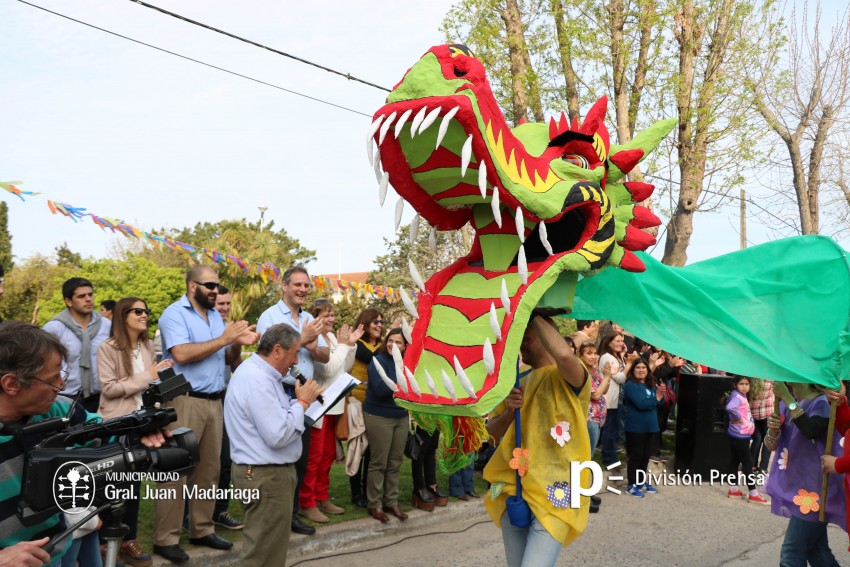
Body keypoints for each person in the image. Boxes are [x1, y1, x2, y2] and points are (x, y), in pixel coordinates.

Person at [0, 321, 170, 566]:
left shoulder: (56, 411)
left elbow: (102, 432)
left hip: (52, 554)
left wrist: (139, 432)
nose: (60, 385)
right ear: (12, 384)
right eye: (52, 379)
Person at [153, 265, 258, 563]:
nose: (215, 290)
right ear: (192, 286)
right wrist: (226, 338)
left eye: (217, 285)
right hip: (183, 400)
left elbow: (226, 357)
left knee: (209, 471)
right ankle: (165, 539)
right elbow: (182, 354)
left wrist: (237, 342)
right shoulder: (174, 313)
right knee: (175, 472)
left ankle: (201, 528)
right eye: (210, 285)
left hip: (215, 400)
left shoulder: (214, 316)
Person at [484, 313, 589, 567]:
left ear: (545, 333)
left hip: (559, 492)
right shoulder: (514, 380)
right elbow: (490, 435)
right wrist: (510, 410)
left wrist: (530, 308)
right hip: (514, 491)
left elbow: (564, 355)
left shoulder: (572, 375)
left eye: (525, 332)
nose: (519, 340)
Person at [225, 324, 322, 567]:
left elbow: (275, 421)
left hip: (262, 472)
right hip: (266, 475)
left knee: (266, 548)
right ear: (277, 350)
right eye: (295, 353)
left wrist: (297, 405)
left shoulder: (260, 374)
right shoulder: (257, 380)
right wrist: (302, 403)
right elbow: (277, 435)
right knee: (263, 553)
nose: (296, 361)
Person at [97, 297, 173, 566]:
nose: (144, 315)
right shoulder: (107, 348)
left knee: (133, 485)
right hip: (118, 423)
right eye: (138, 311)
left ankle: (128, 541)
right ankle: (105, 544)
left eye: (146, 310)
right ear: (122, 315)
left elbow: (149, 384)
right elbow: (109, 388)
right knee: (112, 486)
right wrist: (149, 375)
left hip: (143, 422)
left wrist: (164, 378)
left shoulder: (147, 345)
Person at [256, 265, 329, 535]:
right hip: (279, 393)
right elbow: (267, 353)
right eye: (297, 284)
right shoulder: (269, 316)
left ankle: (292, 515)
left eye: (306, 285)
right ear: (284, 286)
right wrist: (305, 339)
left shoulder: (310, 317)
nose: (302, 290)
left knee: (299, 458)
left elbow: (325, 356)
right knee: (276, 459)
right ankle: (271, 516)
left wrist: (309, 344)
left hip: (305, 396)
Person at [765, 381, 846, 566]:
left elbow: (811, 430)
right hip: (798, 490)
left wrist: (786, 397)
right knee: (817, 552)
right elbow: (772, 445)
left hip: (815, 493)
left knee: (791, 554)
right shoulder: (789, 403)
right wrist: (773, 428)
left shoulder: (822, 403)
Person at [299, 299, 363, 523]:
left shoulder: (335, 338)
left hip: (333, 405)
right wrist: (344, 346)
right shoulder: (313, 339)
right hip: (317, 406)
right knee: (314, 457)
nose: (332, 319)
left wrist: (351, 345)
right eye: (326, 315)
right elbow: (327, 369)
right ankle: (307, 502)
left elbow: (345, 367)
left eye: (332, 315)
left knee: (327, 456)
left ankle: (322, 496)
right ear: (315, 317)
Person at [43, 277, 112, 413]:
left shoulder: (106, 325)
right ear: (68, 301)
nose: (88, 299)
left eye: (90, 295)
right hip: (66, 397)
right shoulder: (55, 328)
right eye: (81, 296)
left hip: (101, 398)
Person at [363, 328, 410, 523]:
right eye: (390, 340)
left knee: (395, 462)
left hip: (401, 416)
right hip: (379, 415)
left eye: (398, 342)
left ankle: (392, 501)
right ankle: (374, 504)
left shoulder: (409, 363)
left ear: (405, 346)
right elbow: (382, 390)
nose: (393, 345)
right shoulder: (377, 361)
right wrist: (403, 379)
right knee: (379, 462)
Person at [211, 283, 243, 531]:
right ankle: (192, 514)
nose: (224, 308)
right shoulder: (204, 329)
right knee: (201, 462)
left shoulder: (228, 328)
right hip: (200, 399)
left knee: (225, 459)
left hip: (224, 397)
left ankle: (220, 510)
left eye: (227, 304)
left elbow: (234, 364)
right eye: (220, 303)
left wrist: (238, 342)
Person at [346, 308, 384, 508]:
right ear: (366, 323)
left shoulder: (380, 345)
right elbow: (373, 359)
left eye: (381, 322)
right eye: (375, 322)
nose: (379, 325)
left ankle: (369, 490)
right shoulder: (357, 344)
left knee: (372, 451)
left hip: (376, 405)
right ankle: (356, 492)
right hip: (358, 404)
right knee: (358, 448)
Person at [623, 358, 666, 498]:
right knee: (636, 456)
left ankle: (641, 482)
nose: (641, 370)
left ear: (648, 370)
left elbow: (659, 404)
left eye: (643, 367)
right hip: (636, 427)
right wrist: (657, 397)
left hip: (650, 427)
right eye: (638, 367)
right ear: (633, 370)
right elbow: (641, 404)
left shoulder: (650, 385)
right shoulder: (630, 386)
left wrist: (660, 395)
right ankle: (631, 485)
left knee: (645, 457)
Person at [723, 376, 769, 504]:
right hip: (740, 435)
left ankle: (733, 489)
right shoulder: (737, 397)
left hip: (737, 434)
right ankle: (753, 493)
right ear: (735, 385)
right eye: (741, 384)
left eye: (747, 384)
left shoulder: (736, 395)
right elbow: (730, 407)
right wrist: (740, 418)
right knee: (748, 463)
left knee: (734, 461)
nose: (744, 386)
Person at [598, 332, 637, 467]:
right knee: (610, 430)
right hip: (609, 400)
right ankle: (609, 458)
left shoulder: (615, 356)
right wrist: (629, 364)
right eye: (617, 341)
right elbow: (620, 378)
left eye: (622, 341)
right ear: (609, 342)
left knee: (614, 430)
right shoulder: (607, 358)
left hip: (617, 399)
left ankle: (611, 457)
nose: (621, 343)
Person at [749, 378, 775, 475]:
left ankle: (752, 465)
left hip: (753, 412)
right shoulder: (769, 379)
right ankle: (763, 468)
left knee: (757, 438)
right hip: (767, 412)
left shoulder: (752, 378)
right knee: (767, 439)